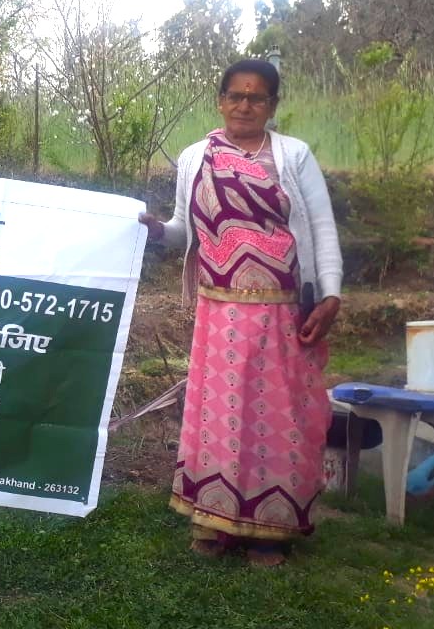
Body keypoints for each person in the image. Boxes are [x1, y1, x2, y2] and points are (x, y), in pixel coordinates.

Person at [139, 59, 343, 567]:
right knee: (220, 417)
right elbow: (186, 229)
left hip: (282, 311)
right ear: (220, 100)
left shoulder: (293, 156)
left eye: (256, 98)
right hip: (219, 313)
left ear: (273, 106)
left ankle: (269, 530)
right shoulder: (195, 157)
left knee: (279, 417)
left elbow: (322, 228)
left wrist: (331, 295)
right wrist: (157, 232)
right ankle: (214, 519)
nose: (244, 106)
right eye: (235, 96)